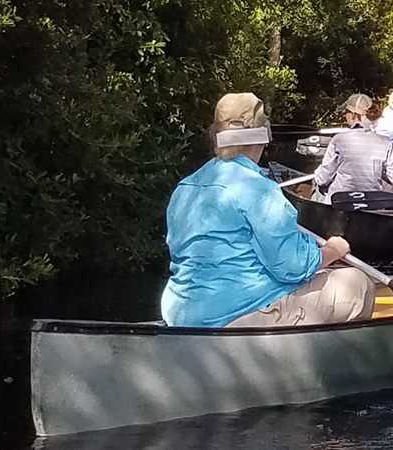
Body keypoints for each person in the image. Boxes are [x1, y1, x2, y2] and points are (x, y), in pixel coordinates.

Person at [160, 93, 375, 328]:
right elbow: (293, 267)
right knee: (358, 283)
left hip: (181, 313)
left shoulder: (186, 187)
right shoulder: (260, 189)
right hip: (237, 314)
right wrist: (333, 250)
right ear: (262, 137)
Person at [311, 94, 393, 203]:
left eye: (346, 112)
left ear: (352, 114)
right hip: (371, 204)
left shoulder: (339, 139)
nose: (345, 116)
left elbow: (323, 178)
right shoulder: (385, 143)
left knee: (317, 186)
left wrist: (316, 175)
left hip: (340, 202)